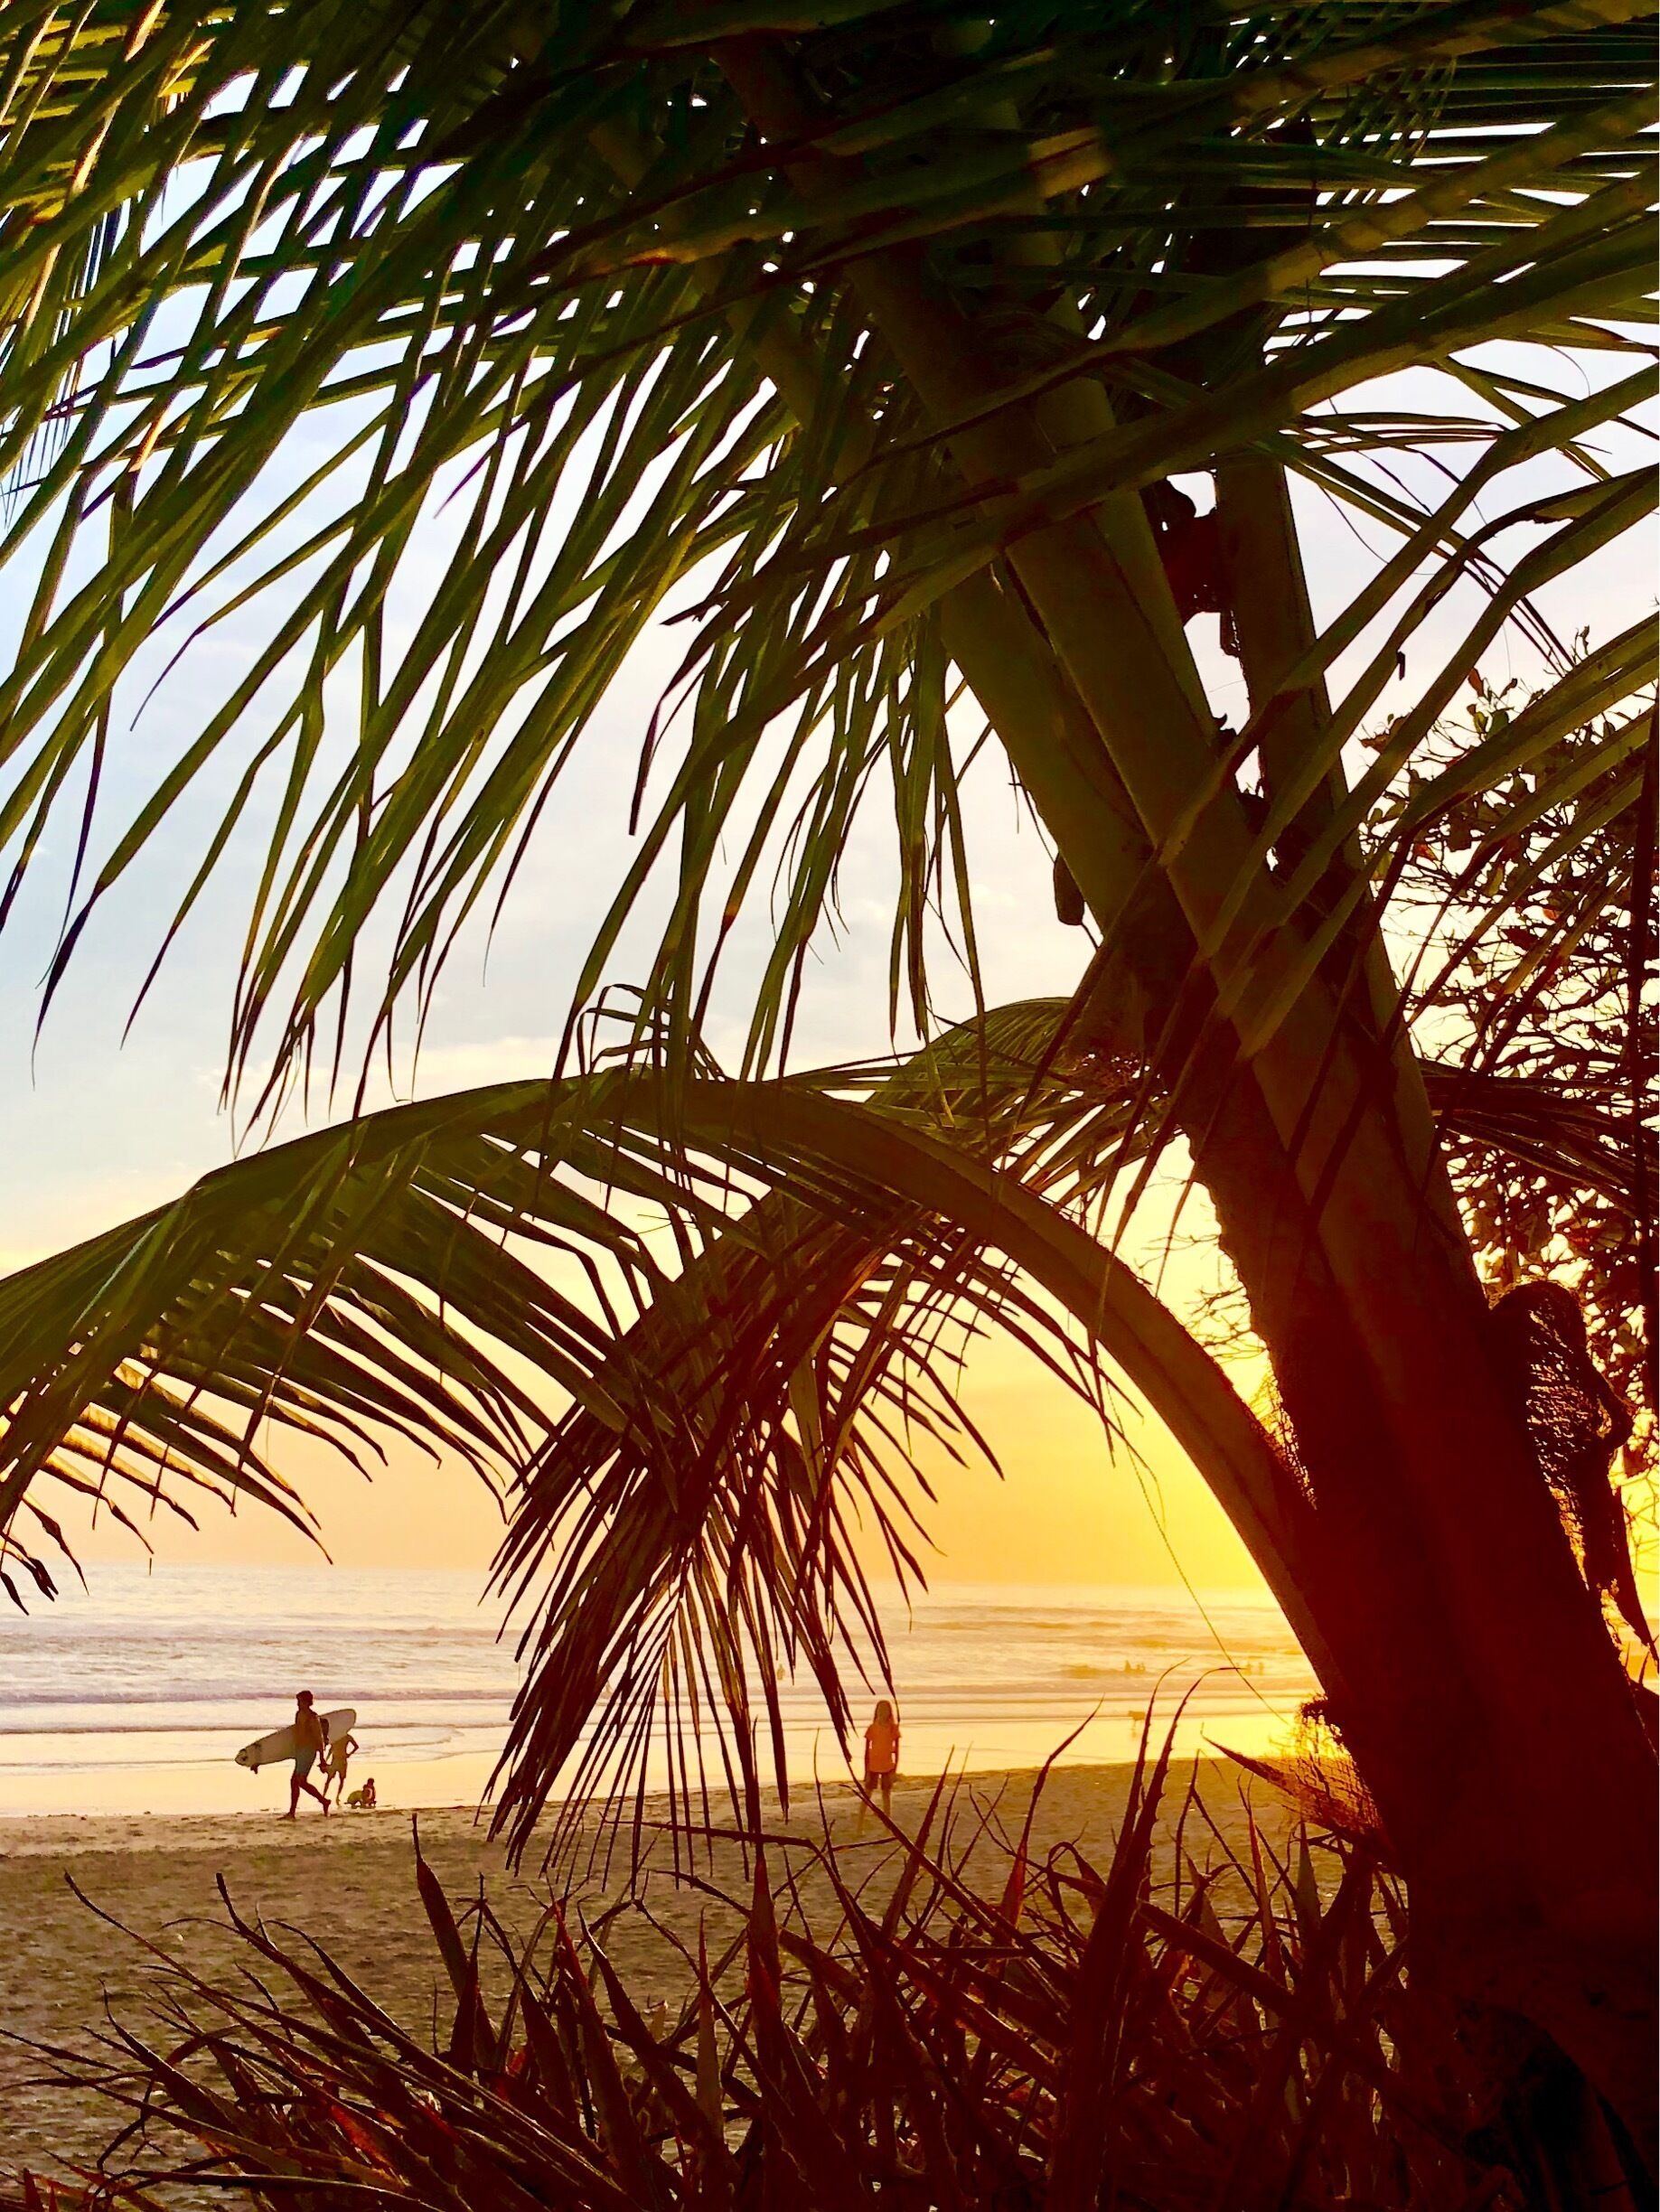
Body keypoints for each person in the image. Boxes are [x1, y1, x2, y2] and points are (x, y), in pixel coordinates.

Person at [281, 1691, 331, 1821]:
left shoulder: (313, 1718)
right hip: (300, 1750)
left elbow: (319, 1738)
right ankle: (294, 1811)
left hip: (309, 1751)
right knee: (296, 1782)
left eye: (300, 1701)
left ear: (307, 1702)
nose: (298, 1704)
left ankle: (322, 1801)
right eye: (297, 1701)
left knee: (299, 1781)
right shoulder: (298, 1714)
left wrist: (322, 1758)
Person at [859, 1698, 900, 1826]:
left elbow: (897, 1751)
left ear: (890, 1712)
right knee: (867, 1795)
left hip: (888, 1765)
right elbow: (866, 1752)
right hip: (873, 1765)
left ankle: (888, 1827)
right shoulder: (872, 1728)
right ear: (877, 1712)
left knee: (886, 1796)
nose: (883, 1712)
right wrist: (866, 1771)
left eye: (886, 1710)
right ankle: (860, 1824)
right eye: (880, 1710)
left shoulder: (893, 1729)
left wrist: (895, 1770)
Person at [324, 1725, 361, 1804]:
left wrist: (349, 1754)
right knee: (329, 1779)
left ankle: (337, 1796)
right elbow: (331, 1749)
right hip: (335, 1760)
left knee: (341, 1779)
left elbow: (356, 1746)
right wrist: (326, 1759)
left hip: (342, 1760)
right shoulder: (336, 1737)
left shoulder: (347, 1737)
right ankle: (323, 1795)